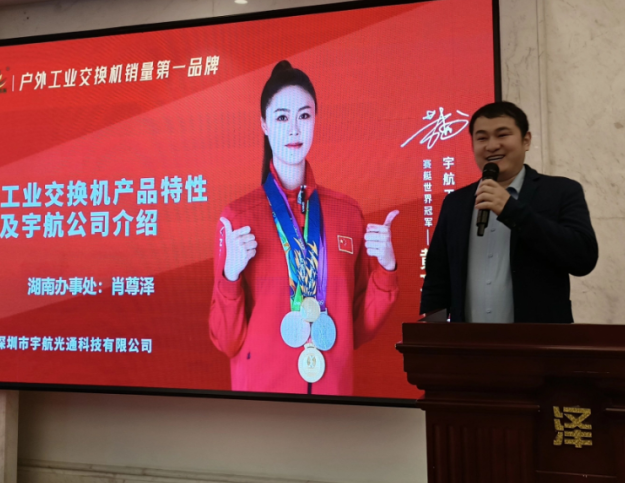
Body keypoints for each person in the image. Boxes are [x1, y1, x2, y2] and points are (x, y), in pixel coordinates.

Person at [209, 61, 400, 395]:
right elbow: (226, 340)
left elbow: (357, 329)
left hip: (331, 394)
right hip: (263, 400)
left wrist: (385, 270)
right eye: (282, 117)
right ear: (264, 124)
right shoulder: (238, 218)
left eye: (305, 115)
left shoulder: (347, 214)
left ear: (315, 121)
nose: (295, 130)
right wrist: (230, 276)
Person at [420, 101, 597, 323]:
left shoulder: (561, 191)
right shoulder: (455, 202)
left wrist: (512, 210)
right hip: (468, 341)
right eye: (482, 138)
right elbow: (437, 276)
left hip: (539, 340)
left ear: (526, 140)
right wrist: (433, 335)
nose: (492, 146)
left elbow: (583, 258)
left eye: (502, 135)